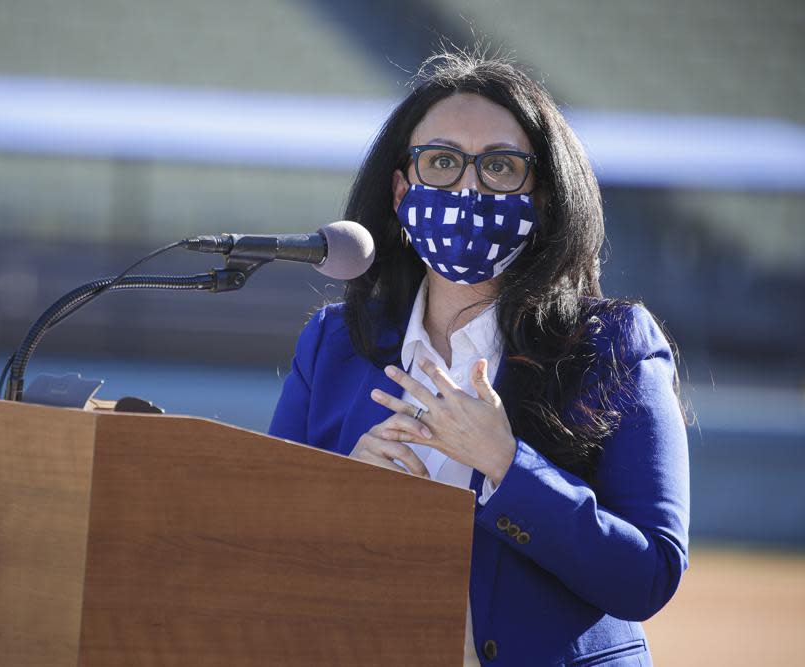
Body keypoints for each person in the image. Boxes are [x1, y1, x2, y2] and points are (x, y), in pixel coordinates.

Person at [269, 49, 690, 666]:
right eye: (441, 162)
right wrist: (344, 493)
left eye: (498, 166)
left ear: (542, 196)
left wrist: (506, 465)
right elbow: (264, 543)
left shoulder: (614, 344)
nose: (467, 188)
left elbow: (648, 574)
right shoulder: (332, 343)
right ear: (400, 190)